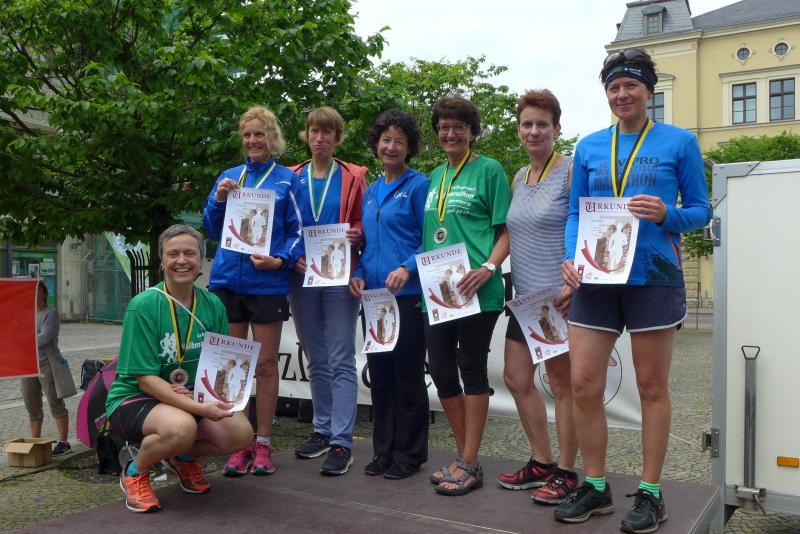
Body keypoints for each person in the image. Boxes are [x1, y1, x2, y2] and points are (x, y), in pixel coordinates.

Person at [555, 49, 712, 533]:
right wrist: (570, 257)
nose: (622, 94)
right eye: (614, 88)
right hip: (596, 277)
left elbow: (702, 210)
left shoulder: (679, 141)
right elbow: (576, 212)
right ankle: (596, 486)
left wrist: (668, 214)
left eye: (631, 86)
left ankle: (650, 492)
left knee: (650, 388)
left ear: (648, 91)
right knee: (583, 384)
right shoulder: (588, 146)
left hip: (653, 277)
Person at [105, 225, 253, 513]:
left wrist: (228, 398)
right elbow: (145, 380)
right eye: (173, 254)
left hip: (189, 396)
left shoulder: (213, 304)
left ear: (201, 260)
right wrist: (198, 407)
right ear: (162, 261)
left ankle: (181, 457)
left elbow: (221, 363)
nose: (181, 260)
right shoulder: (143, 306)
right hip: (136, 397)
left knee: (241, 433)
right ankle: (134, 471)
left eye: (189, 253)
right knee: (181, 428)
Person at [204, 106, 302, 477]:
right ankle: (238, 443)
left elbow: (298, 231)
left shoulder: (287, 181)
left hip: (266, 285)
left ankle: (262, 443)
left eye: (259, 134)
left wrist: (279, 259)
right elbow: (212, 229)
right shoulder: (229, 177)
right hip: (228, 281)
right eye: (247, 135)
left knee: (264, 365)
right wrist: (218, 200)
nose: (252, 141)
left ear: (272, 138)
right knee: (233, 364)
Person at [423, 97, 511, 496]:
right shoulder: (434, 175)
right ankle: (465, 458)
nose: (450, 133)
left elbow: (506, 231)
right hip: (440, 291)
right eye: (443, 127)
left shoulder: (489, 170)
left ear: (472, 132)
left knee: (471, 370)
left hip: (478, 288)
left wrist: (489, 267)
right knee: (442, 372)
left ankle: (470, 462)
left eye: (458, 127)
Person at [496, 89, 580, 506]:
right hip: (526, 299)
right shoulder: (518, 177)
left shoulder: (570, 170)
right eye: (527, 124)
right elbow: (513, 233)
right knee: (516, 379)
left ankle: (567, 471)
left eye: (542, 124)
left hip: (559, 298)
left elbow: (584, 223)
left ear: (556, 129)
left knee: (562, 385)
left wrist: (576, 282)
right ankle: (542, 461)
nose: (534, 131)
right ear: (519, 130)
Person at [349, 109, 430, 480]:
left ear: (409, 147)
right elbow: (368, 245)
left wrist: (407, 268)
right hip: (375, 299)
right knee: (380, 375)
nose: (391, 146)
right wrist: (359, 275)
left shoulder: (419, 186)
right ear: (376, 144)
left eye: (400, 141)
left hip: (408, 296)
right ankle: (383, 451)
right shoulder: (370, 192)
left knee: (407, 375)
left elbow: (431, 239)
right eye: (386, 139)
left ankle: (409, 454)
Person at [289, 106, 367, 476]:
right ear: (306, 135)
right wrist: (292, 256)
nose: (319, 139)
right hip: (302, 275)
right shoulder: (292, 176)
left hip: (339, 274)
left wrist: (357, 234)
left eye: (327, 133)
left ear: (337, 138)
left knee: (340, 357)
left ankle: (341, 441)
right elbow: (282, 226)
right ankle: (321, 430)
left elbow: (364, 222)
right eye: (314, 131)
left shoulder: (353, 176)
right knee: (315, 356)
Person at [20, 281, 72, 456]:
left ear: (44, 294)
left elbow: (45, 338)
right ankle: (35, 441)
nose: (35, 294)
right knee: (31, 403)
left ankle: (63, 442)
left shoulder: (51, 313)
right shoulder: (26, 314)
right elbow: (18, 333)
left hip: (47, 364)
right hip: (27, 364)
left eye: (39, 290)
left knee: (54, 401)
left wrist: (26, 338)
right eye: (33, 291)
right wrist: (30, 335)